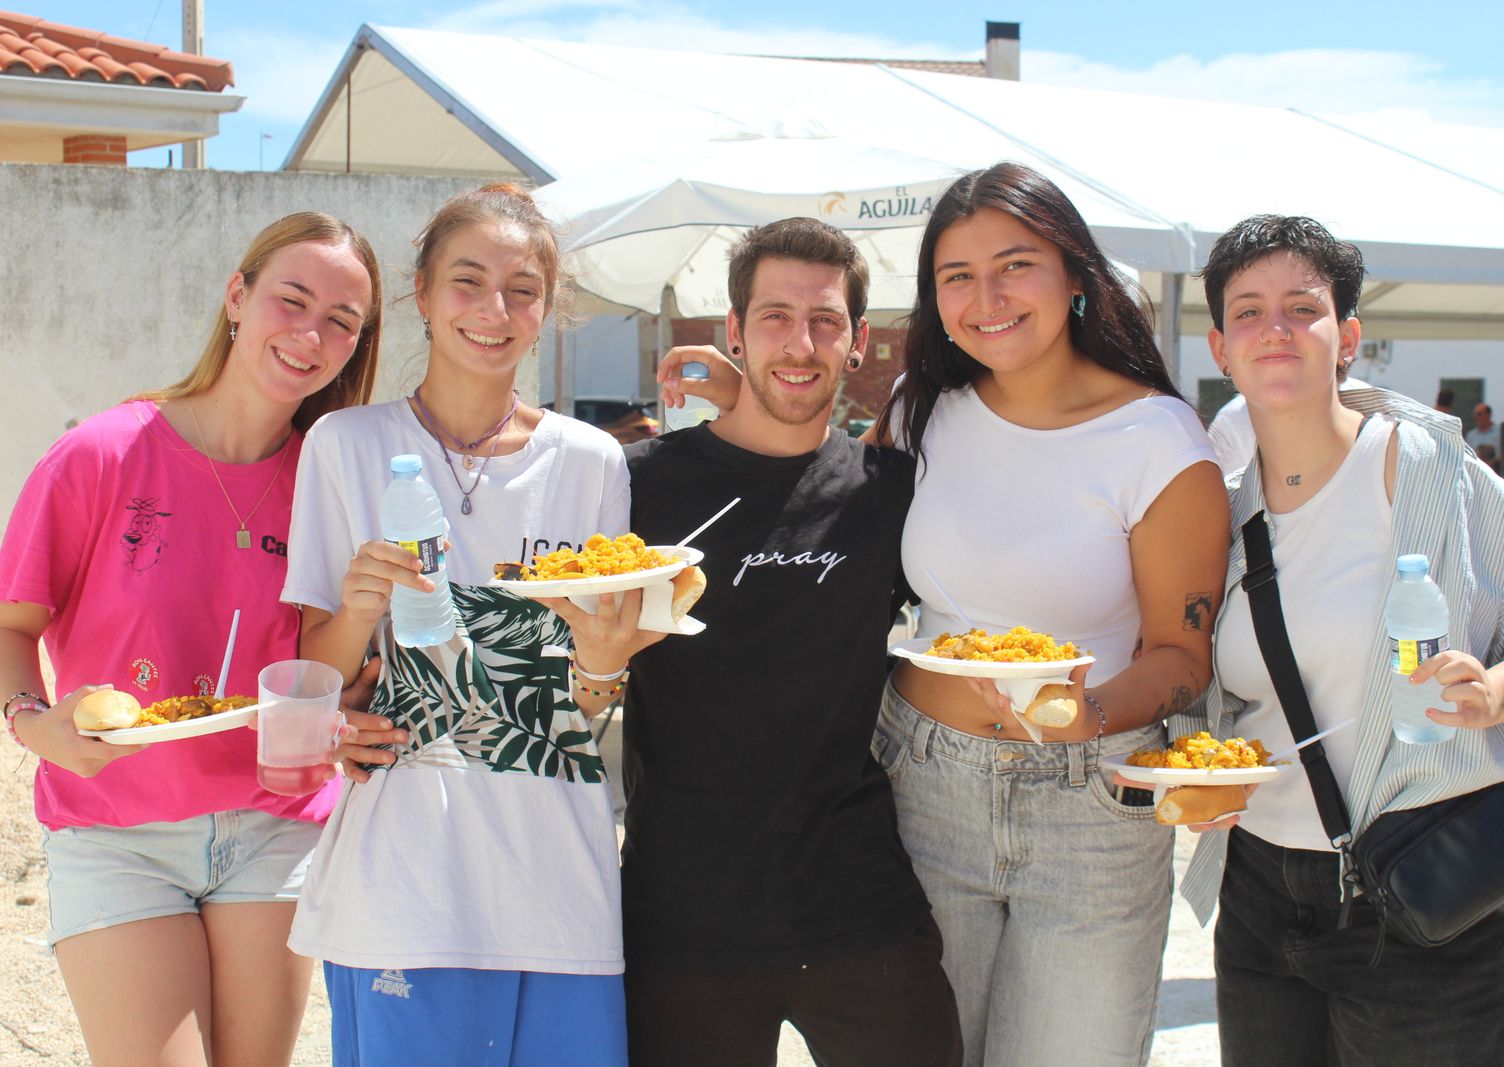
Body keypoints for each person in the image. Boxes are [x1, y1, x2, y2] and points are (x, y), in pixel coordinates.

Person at [662, 163, 1230, 1066]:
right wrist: (743, 396)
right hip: (921, 785)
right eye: (957, 276)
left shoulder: (1157, 440)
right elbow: (819, 496)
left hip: (1090, 801)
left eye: (1016, 265)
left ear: (1076, 277)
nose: (987, 297)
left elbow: (1181, 654)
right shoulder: (919, 410)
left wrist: (1090, 714)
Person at [1173, 214, 1504, 1066]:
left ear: (1348, 336)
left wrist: (1496, 693)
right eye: (1250, 312)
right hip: (1263, 888)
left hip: (1430, 880)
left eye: (1304, 306)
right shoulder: (1216, 505)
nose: (1277, 329)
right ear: (1220, 347)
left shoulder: (1429, 470)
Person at [0, 213, 383, 1066]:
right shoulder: (103, 452)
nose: (311, 333)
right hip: (115, 832)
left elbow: (319, 674)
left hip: (274, 827)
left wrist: (351, 685)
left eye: (342, 321)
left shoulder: (328, 481)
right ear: (237, 297)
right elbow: (10, 624)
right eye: (293, 299)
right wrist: (33, 721)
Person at [282, 184, 646, 1067]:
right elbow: (312, 672)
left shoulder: (593, 460)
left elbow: (587, 700)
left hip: (558, 877)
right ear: (421, 293)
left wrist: (605, 664)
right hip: (403, 880)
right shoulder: (345, 444)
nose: (495, 310)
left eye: (522, 289)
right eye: (468, 281)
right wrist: (361, 615)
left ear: (547, 311)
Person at [619, 217, 963, 1067]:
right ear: (733, 332)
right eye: (774, 317)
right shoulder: (640, 485)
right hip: (682, 915)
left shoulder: (893, 492)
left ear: (856, 342)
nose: (800, 343)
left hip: (856, 901)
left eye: (825, 321)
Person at [1209, 373, 1370, 474]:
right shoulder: (1232, 421)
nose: (1276, 334)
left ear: (1347, 341)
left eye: (1304, 315)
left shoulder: (1374, 415)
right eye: (1249, 315)